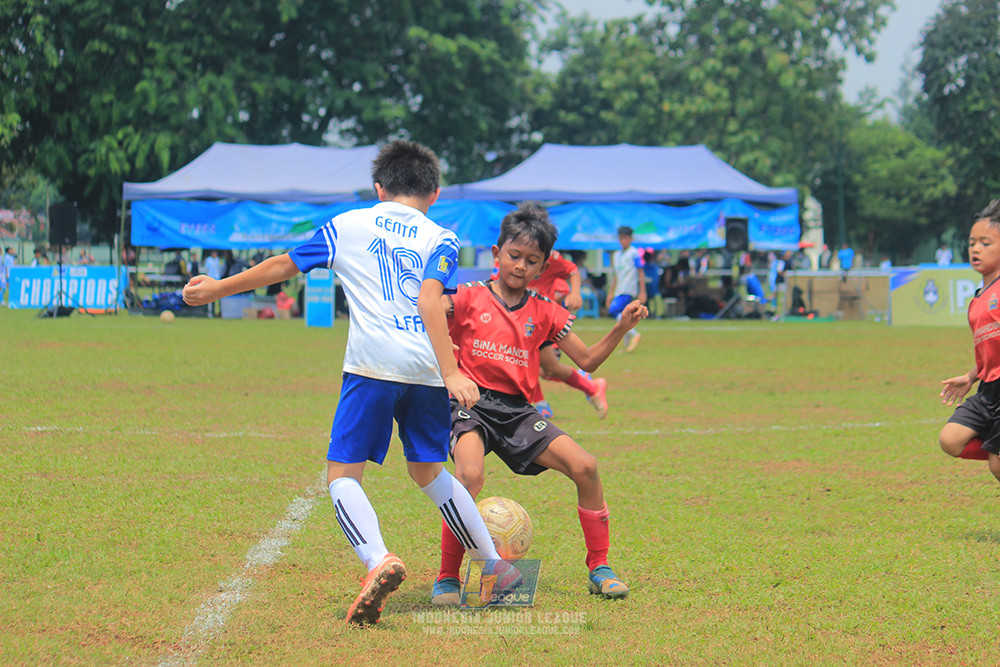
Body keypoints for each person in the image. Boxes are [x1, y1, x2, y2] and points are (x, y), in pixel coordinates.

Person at [182, 140, 511, 626]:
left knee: (342, 475)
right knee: (429, 473)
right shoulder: (443, 236)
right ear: (435, 193)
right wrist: (448, 371)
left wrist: (215, 288)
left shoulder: (348, 224)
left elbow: (284, 266)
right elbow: (433, 301)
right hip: (422, 367)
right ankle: (496, 569)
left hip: (372, 365)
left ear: (378, 187)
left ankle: (378, 560)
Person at [429, 202, 648, 607]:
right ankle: (446, 577)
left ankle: (599, 567)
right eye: (514, 256)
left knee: (586, 466)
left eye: (532, 261)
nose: (521, 266)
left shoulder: (547, 311)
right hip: (469, 404)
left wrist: (620, 328)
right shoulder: (467, 297)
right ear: (496, 255)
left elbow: (587, 361)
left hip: (518, 410)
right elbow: (428, 314)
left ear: (544, 266)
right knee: (469, 475)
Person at [939, 200, 1000, 473]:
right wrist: (969, 376)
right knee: (951, 440)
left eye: (986, 243)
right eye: (972, 243)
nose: (976, 249)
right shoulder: (977, 301)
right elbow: (991, 352)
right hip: (988, 390)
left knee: (997, 465)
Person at [526, 249, 609, 421]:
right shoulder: (508, 252)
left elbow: (572, 271)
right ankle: (586, 385)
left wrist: (575, 293)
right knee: (543, 369)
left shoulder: (550, 257)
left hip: (540, 321)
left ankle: (543, 406)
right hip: (519, 317)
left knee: (544, 368)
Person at [605, 226, 646, 353]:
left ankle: (634, 333)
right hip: (618, 289)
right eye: (621, 238)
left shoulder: (634, 253)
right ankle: (627, 346)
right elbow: (616, 276)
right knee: (624, 315)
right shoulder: (616, 255)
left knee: (614, 311)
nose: (624, 241)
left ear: (631, 239)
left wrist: (642, 291)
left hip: (629, 289)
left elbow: (640, 271)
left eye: (626, 238)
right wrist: (610, 293)